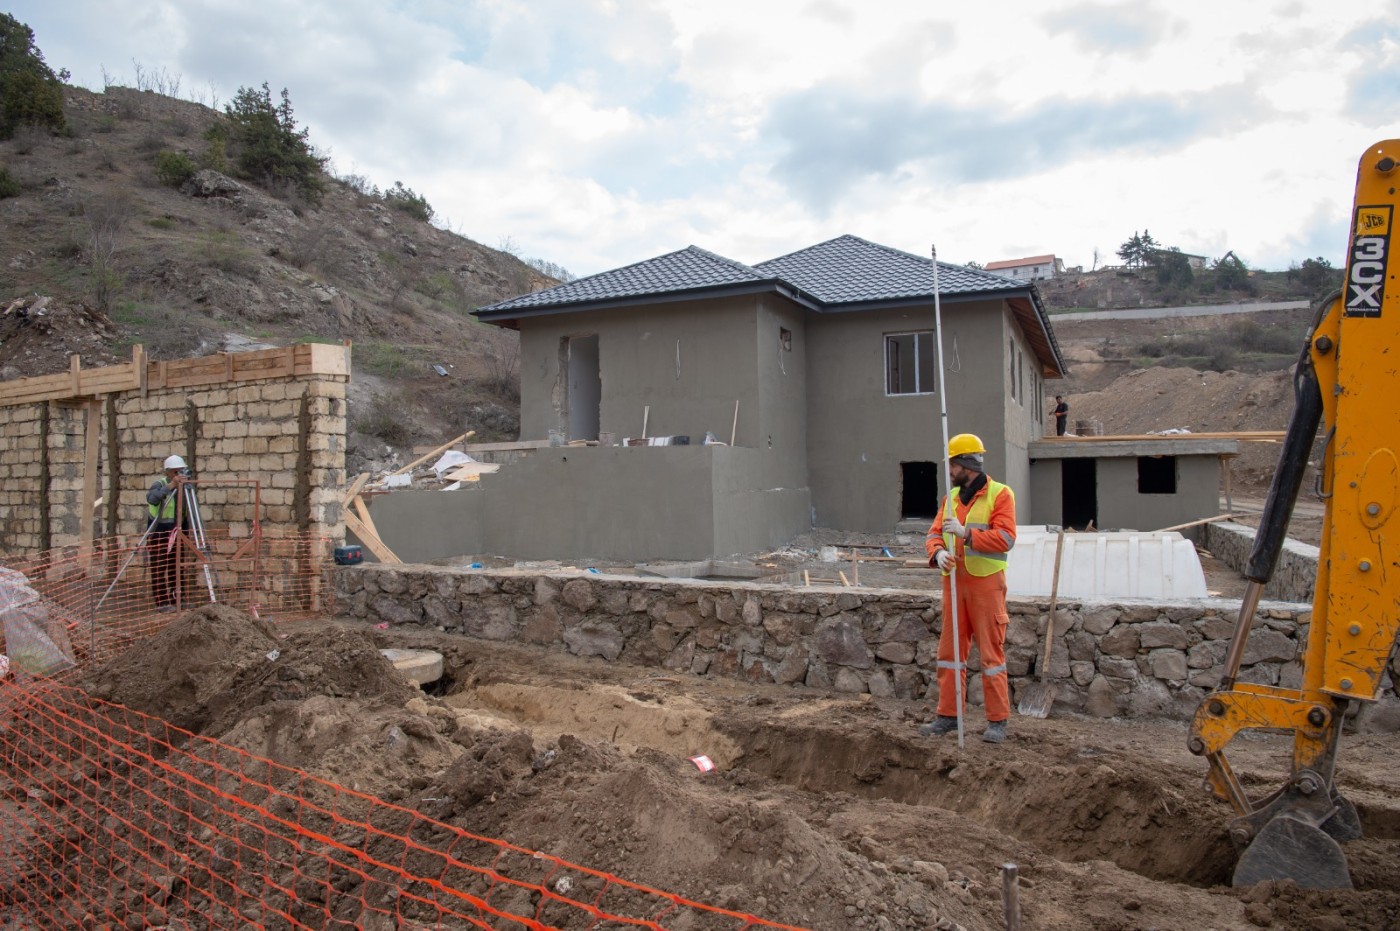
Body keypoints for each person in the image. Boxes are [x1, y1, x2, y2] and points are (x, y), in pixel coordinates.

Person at [920, 434, 1017, 743]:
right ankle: (948, 715)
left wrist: (966, 535)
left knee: (991, 653)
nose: (949, 470)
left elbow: (1006, 538)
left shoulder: (1000, 495)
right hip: (953, 582)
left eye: (952, 464)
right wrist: (937, 553)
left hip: (986, 585)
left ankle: (997, 721)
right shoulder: (950, 499)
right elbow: (934, 534)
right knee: (949, 654)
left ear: (965, 463)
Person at [146, 454, 188, 610]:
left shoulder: (185, 487)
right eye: (175, 472)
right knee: (159, 567)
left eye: (181, 471)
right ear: (168, 472)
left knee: (176, 566)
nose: (178, 475)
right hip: (159, 532)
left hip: (177, 532)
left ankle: (178, 598)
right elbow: (152, 499)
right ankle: (161, 602)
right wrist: (171, 487)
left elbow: (185, 512)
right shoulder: (159, 484)